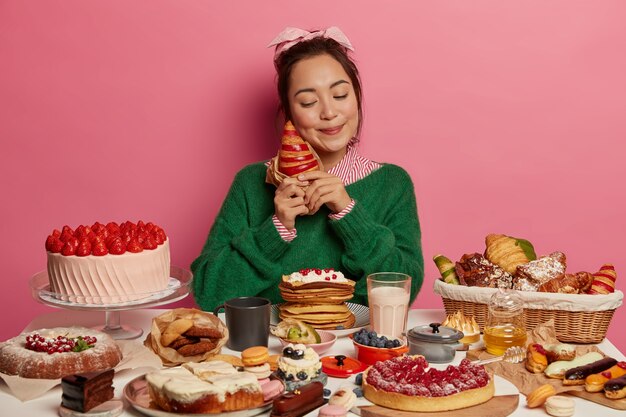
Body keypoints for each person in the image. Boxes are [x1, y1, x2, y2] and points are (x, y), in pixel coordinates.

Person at [191, 27, 423, 311]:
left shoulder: (391, 183)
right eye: (308, 102)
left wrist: (349, 213)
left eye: (340, 95)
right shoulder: (251, 182)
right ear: (289, 113)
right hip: (268, 350)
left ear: (357, 98)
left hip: (354, 349)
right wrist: (276, 229)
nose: (328, 112)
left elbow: (403, 292)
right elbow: (208, 292)